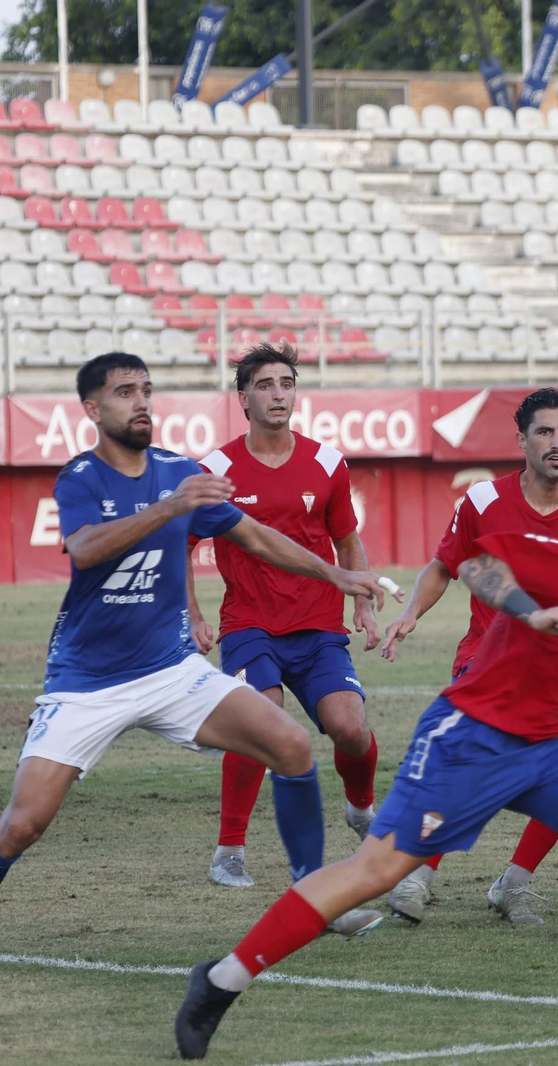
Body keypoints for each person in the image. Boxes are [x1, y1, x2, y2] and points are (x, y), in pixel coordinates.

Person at [173, 479, 558, 1060]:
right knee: (373, 873)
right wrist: (532, 612)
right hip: (468, 743)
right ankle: (221, 980)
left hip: (547, 750)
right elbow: (472, 561)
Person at [0, 353, 391, 977]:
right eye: (123, 393)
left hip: (171, 672)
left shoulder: (177, 470)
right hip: (88, 683)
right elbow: (85, 550)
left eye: (146, 390)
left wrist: (338, 573)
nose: (141, 402)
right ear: (92, 409)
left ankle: (313, 896)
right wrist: (170, 508)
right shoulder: (81, 477)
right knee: (21, 824)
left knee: (292, 743)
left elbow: (252, 536)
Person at [376, 387, 558, 925]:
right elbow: (443, 566)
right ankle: (415, 875)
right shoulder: (483, 502)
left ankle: (513, 884)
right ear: (522, 440)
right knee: (469, 767)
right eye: (545, 432)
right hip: (489, 662)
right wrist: (411, 614)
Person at [187, 344, 388, 890]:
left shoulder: (327, 463)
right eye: (265, 385)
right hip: (250, 625)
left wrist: (363, 605)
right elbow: (180, 544)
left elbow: (348, 540)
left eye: (286, 383)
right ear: (244, 397)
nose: (278, 394)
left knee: (350, 727)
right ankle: (229, 851)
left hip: (319, 627)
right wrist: (194, 615)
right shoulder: (217, 469)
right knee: (261, 718)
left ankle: (360, 805)